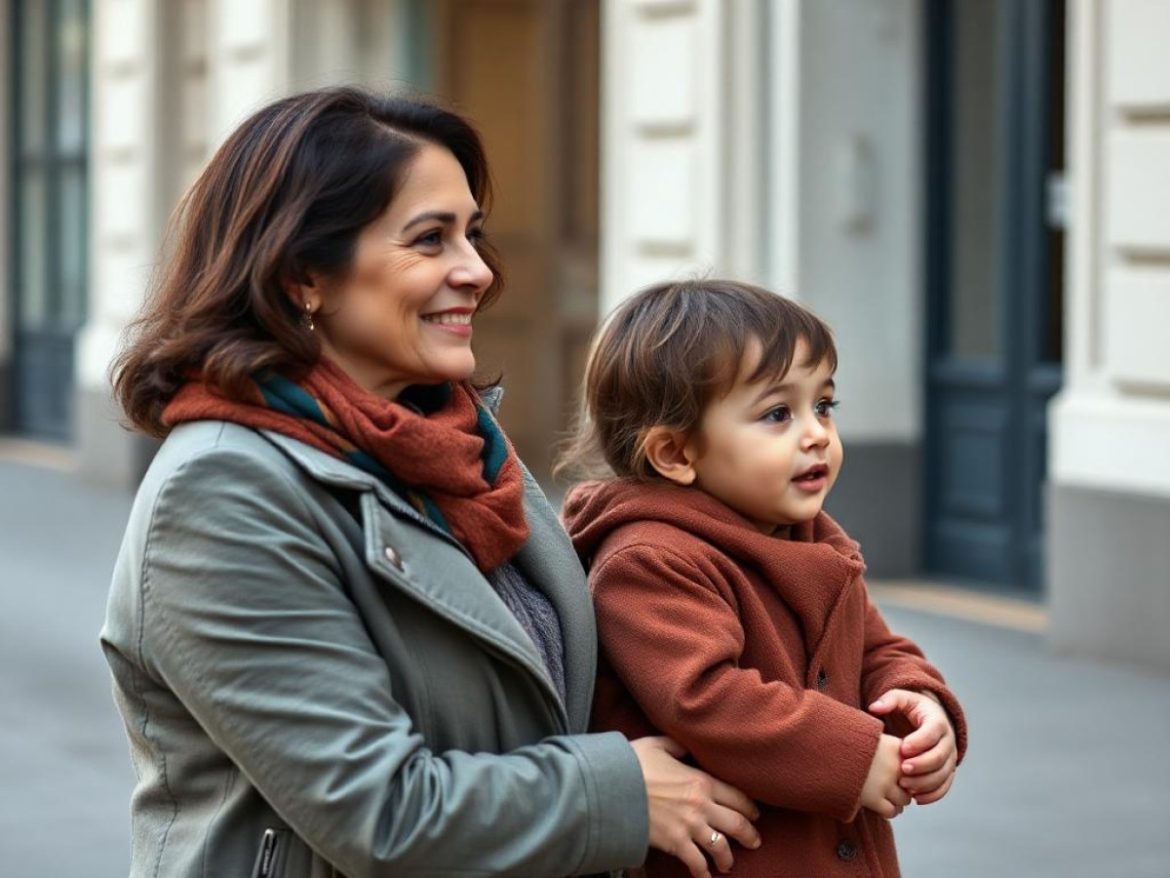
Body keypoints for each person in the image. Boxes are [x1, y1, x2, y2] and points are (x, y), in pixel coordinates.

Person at [100, 88, 761, 878]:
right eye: (430, 239)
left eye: (473, 234)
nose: (478, 270)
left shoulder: (452, 446)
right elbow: (380, 812)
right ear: (303, 275)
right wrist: (622, 794)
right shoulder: (220, 492)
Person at [559, 279, 969, 877]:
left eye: (824, 405)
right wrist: (853, 760)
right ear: (675, 454)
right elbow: (708, 699)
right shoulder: (649, 561)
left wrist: (922, 705)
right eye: (778, 414)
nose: (816, 434)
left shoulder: (809, 536)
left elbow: (878, 646)